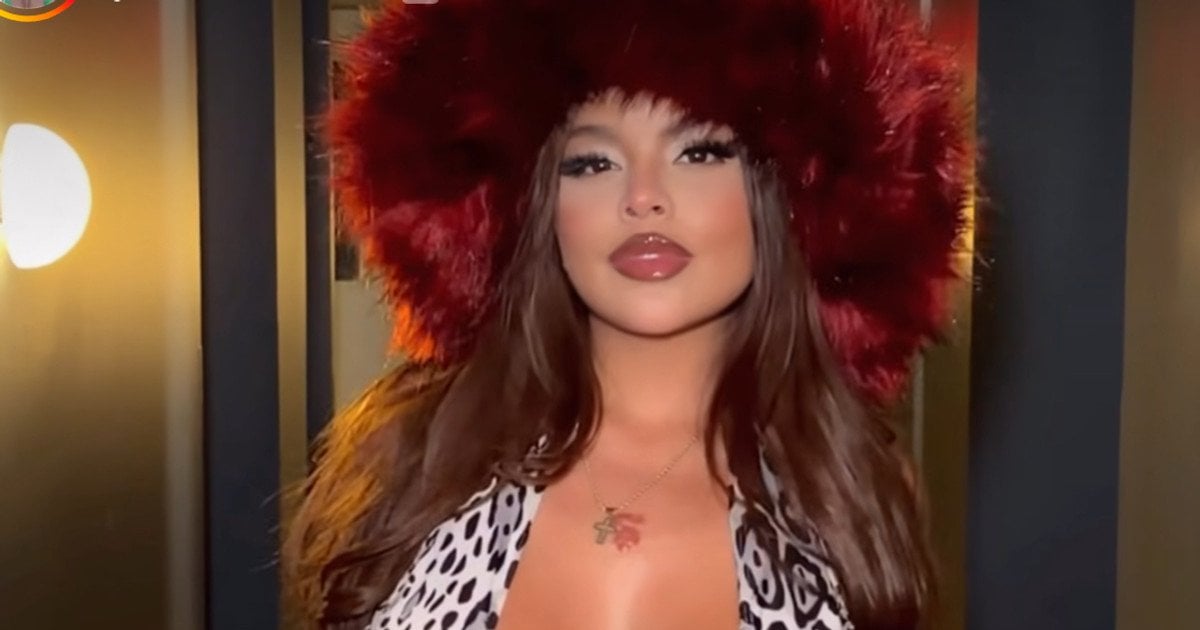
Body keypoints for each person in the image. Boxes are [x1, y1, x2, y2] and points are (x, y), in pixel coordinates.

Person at [283, 1, 975, 629]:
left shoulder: (847, 497)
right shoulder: (422, 464)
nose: (643, 197)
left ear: (784, 195)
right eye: (592, 163)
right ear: (537, 207)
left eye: (699, 151)